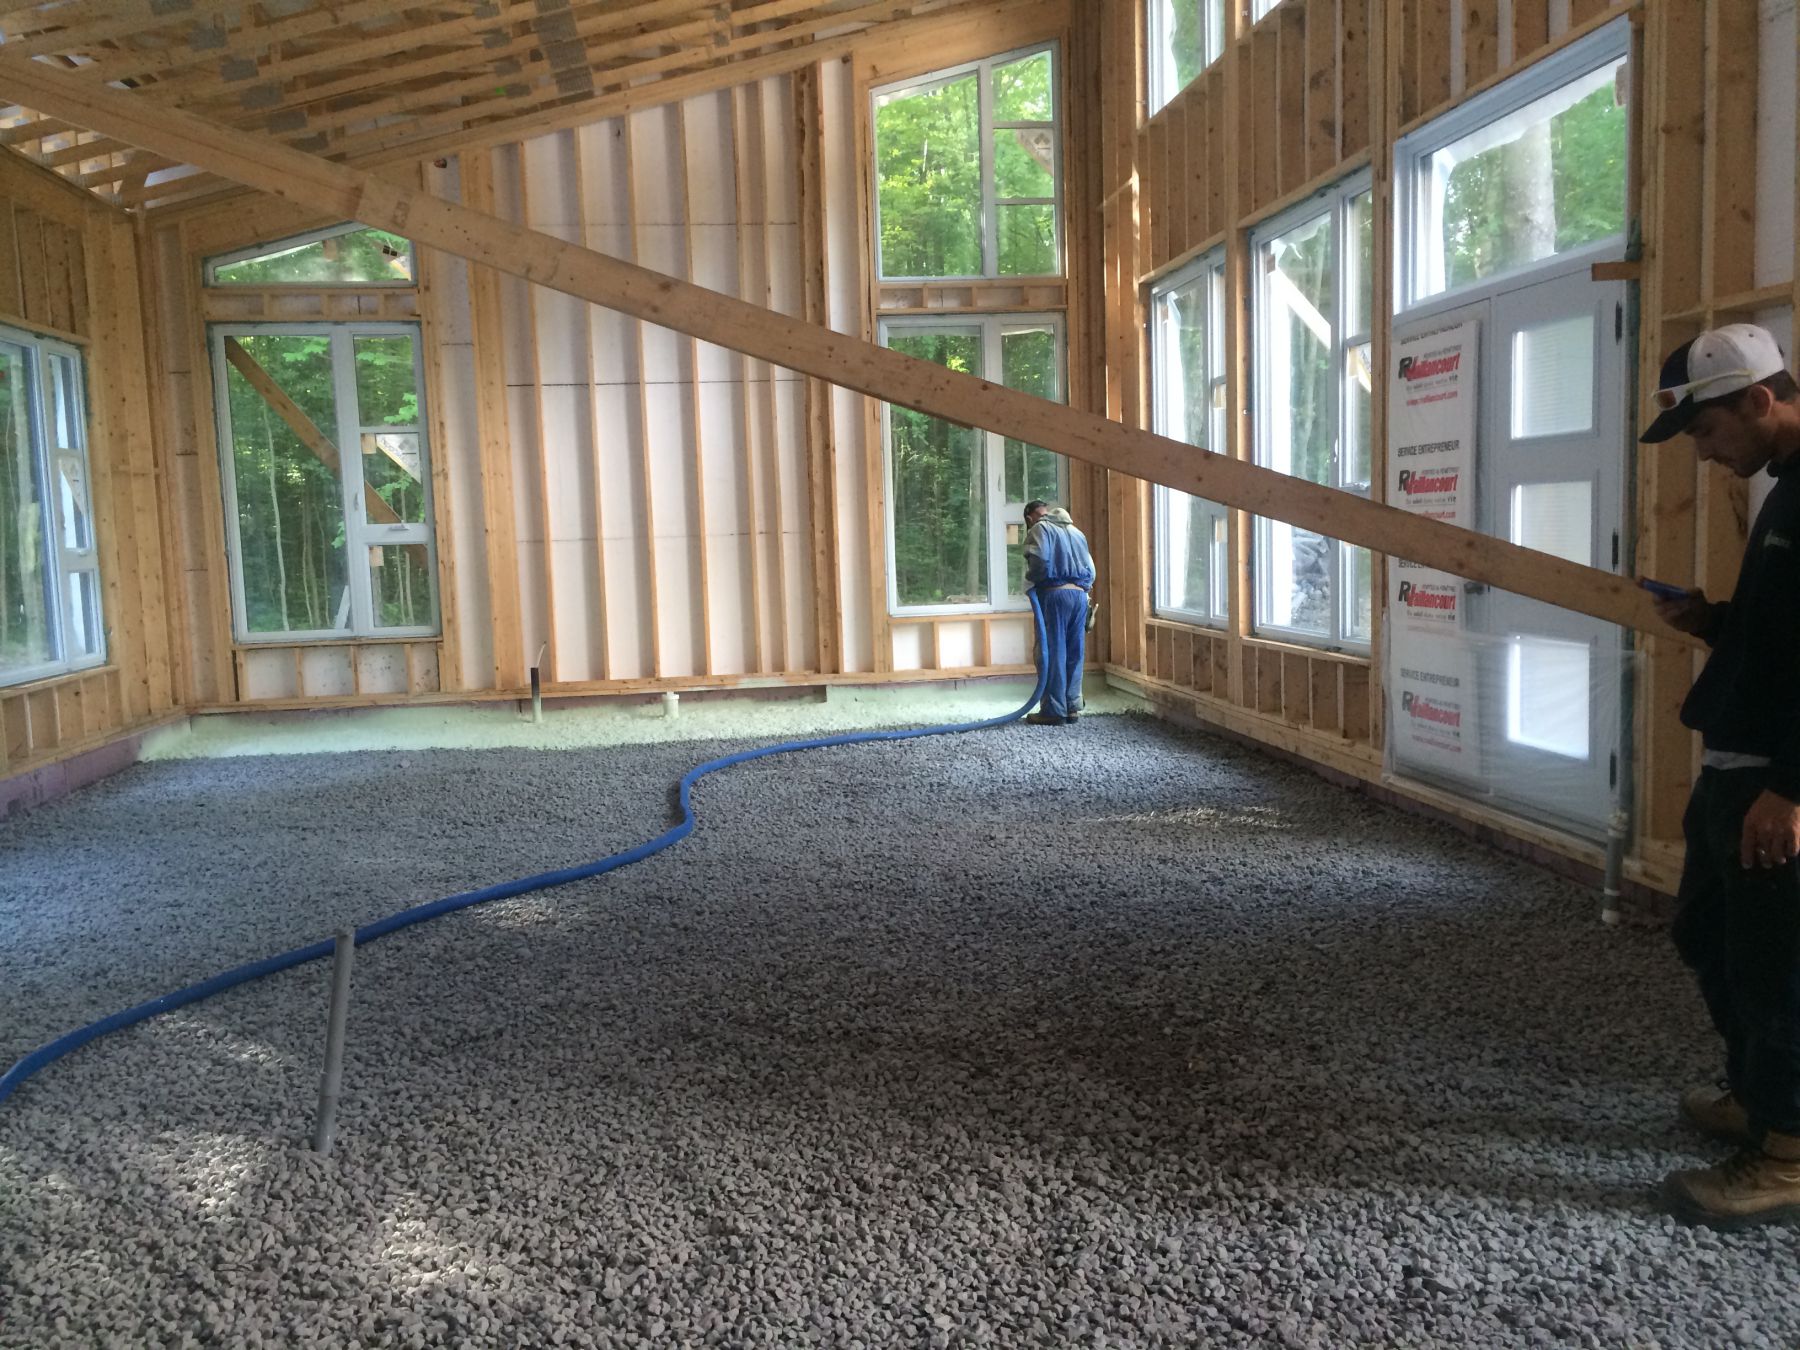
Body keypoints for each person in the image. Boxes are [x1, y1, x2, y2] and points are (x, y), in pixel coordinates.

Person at [1640, 323, 1800, 1227]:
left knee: (1777, 964)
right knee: (1710, 936)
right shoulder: (1786, 489)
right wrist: (1713, 621)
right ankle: (1757, 1094)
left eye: (1706, 430)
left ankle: (1786, 1151)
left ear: (1760, 400)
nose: (1702, 453)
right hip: (1738, 767)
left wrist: (1792, 788)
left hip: (1775, 782)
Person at [1021, 500, 1095, 726]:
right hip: (1080, 597)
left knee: (1052, 651)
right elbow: (1091, 571)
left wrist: (1033, 579)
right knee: (1075, 652)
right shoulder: (1077, 532)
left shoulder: (1040, 529)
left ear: (1029, 518)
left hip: (1054, 595)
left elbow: (1040, 560)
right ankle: (1072, 707)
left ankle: (1053, 710)